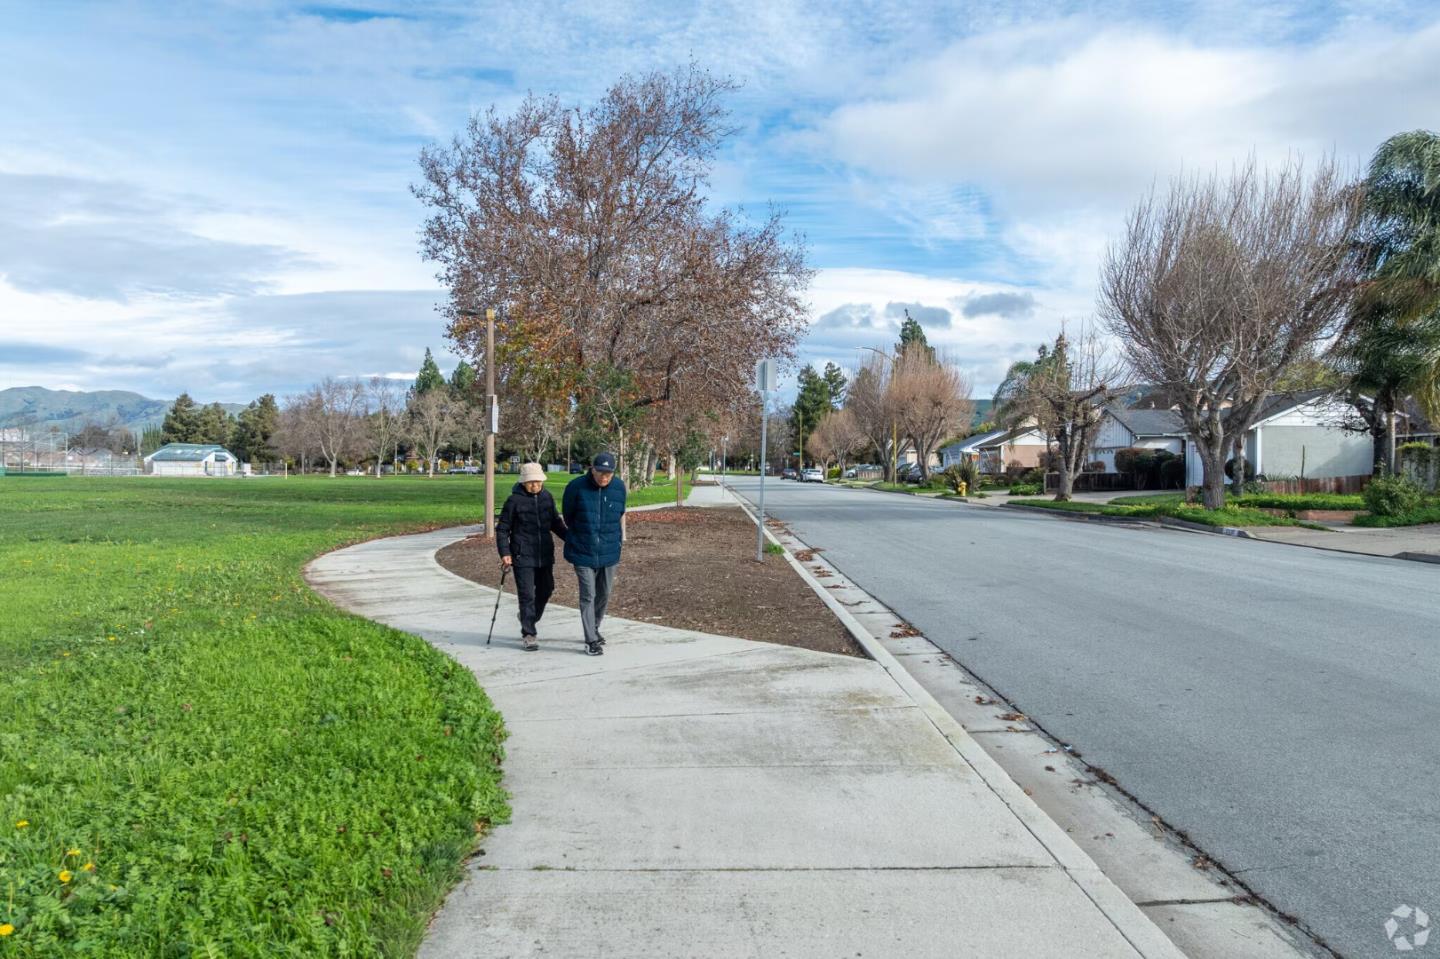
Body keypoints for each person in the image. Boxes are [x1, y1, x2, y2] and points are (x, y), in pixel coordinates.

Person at [496, 462, 567, 651]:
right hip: (522, 555)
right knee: (527, 595)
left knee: (546, 589)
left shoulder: (547, 497)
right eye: (530, 482)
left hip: (544, 554)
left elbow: (555, 522)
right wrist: (505, 553)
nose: (535, 485)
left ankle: (529, 617)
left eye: (538, 482)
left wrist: (570, 538)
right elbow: (503, 529)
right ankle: (529, 633)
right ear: (523, 483)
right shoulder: (514, 501)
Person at [562, 451, 627, 656]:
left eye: (608, 473)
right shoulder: (576, 487)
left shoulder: (619, 487)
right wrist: (583, 534)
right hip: (583, 549)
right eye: (600, 472)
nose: (604, 477)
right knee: (588, 594)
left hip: (609, 550)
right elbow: (568, 516)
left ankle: (595, 627)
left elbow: (620, 513)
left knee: (605, 593)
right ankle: (590, 640)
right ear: (592, 469)